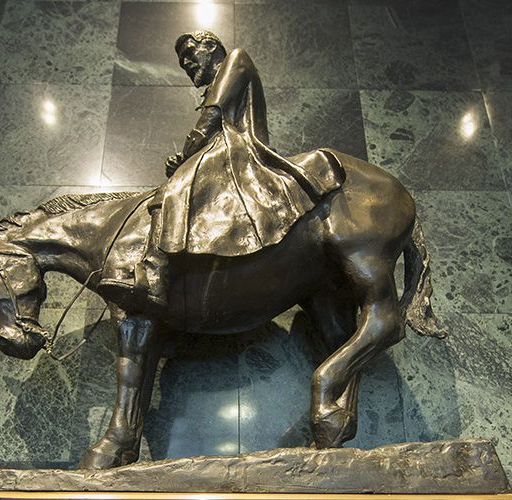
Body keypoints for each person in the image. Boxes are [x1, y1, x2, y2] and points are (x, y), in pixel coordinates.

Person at [101, 30, 345, 311]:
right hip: (221, 149)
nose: (187, 64)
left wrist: (185, 156)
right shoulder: (217, 78)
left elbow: (211, 117)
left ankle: (155, 270)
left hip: (235, 149)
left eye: (190, 55)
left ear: (211, 46)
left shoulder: (236, 59)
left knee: (174, 190)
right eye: (182, 63)